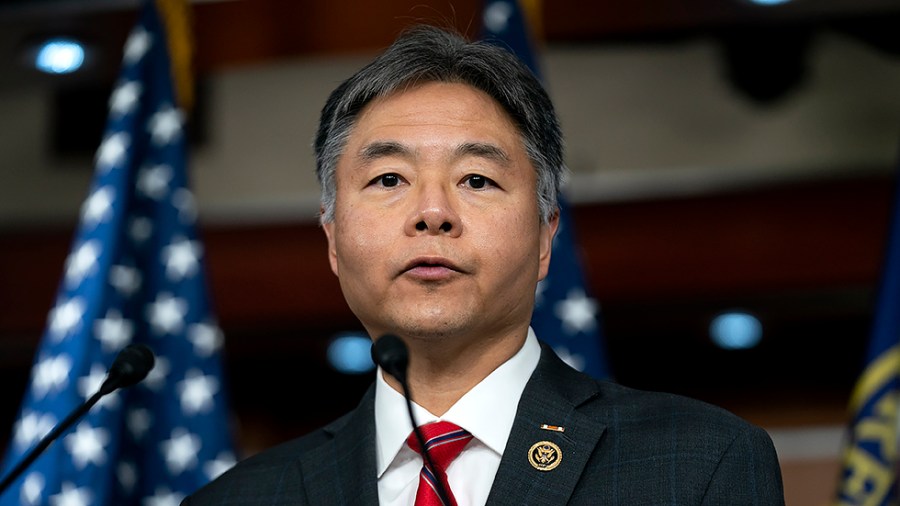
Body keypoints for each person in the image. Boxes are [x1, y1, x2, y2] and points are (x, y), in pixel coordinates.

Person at [182, 24, 785, 505]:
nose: (433, 213)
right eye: (389, 178)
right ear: (333, 238)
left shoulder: (699, 464)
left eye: (476, 179)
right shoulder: (243, 496)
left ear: (546, 235)